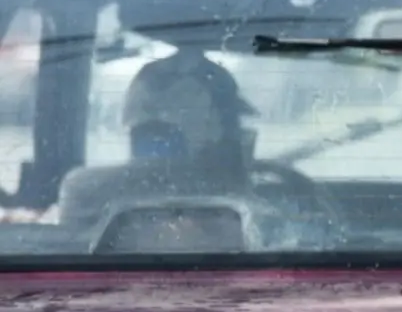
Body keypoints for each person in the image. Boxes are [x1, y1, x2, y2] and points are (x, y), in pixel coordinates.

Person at [58, 50, 258, 229]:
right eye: (230, 119)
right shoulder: (238, 200)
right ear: (215, 126)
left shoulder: (84, 188)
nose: (238, 131)